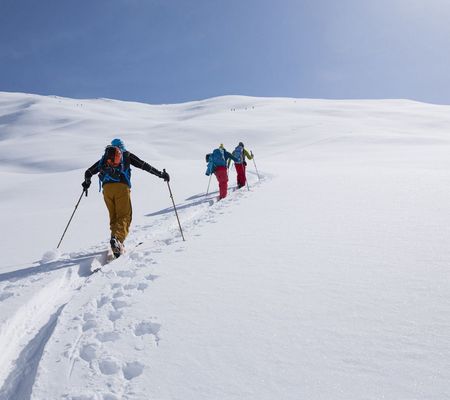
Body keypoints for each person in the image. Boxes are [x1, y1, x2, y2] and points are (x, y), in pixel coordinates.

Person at [82, 138, 170, 258]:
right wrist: (160, 174)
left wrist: (87, 183)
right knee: (124, 216)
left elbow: (88, 172)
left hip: (106, 190)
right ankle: (117, 240)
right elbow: (144, 165)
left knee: (114, 217)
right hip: (122, 187)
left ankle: (116, 241)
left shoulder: (105, 159)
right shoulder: (126, 155)